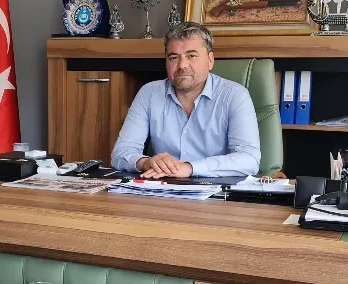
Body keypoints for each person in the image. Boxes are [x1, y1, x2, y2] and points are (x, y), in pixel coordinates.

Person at [110, 22, 261, 178]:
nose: (182, 65)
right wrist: (145, 162)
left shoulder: (234, 95)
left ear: (210, 60)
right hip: (163, 185)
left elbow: (249, 159)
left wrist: (190, 168)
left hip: (217, 187)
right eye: (174, 57)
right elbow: (121, 153)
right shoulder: (149, 93)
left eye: (191, 56)